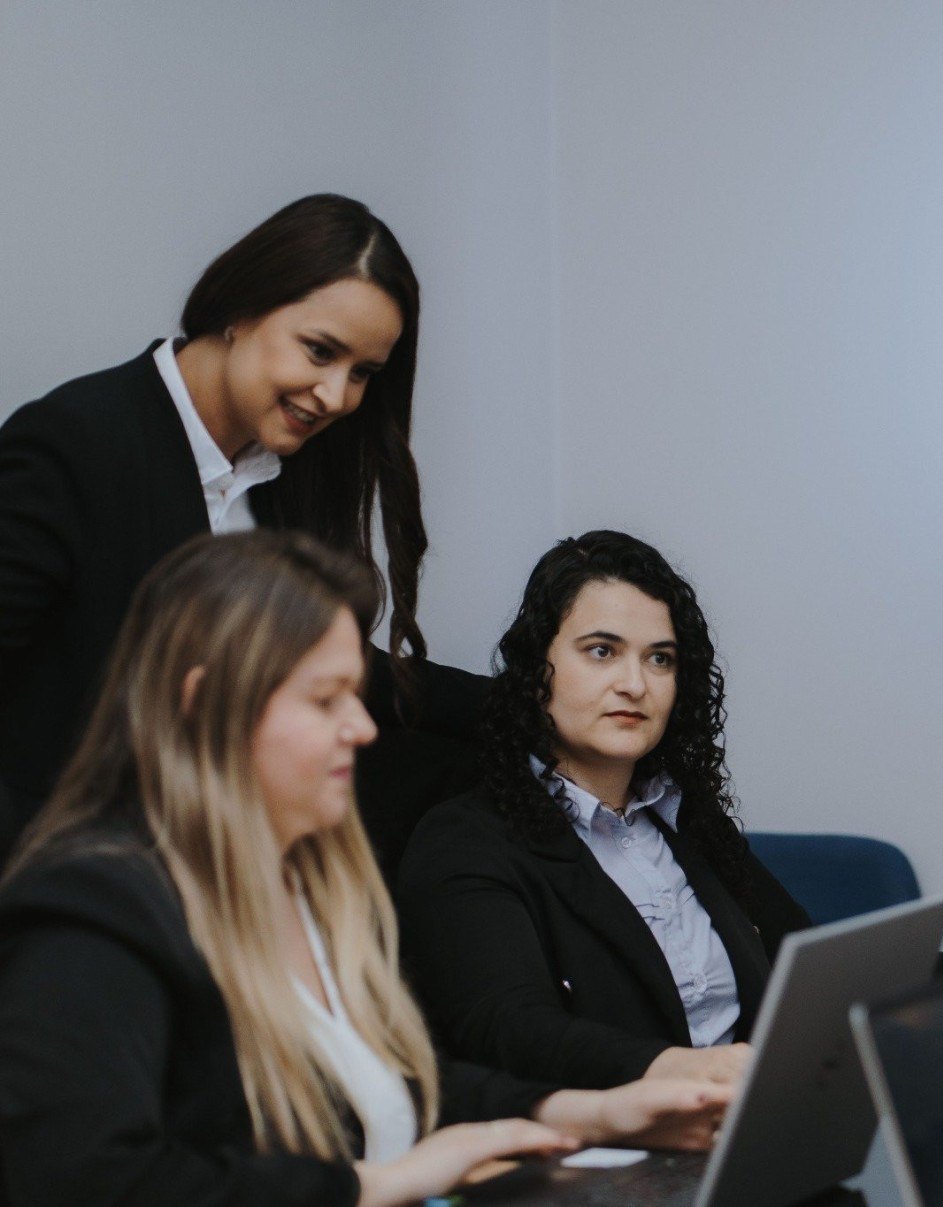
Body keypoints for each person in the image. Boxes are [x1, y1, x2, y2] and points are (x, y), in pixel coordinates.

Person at [0, 530, 730, 1207]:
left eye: (354, 695)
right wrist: (372, 1185)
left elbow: (387, 1088)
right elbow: (79, 1177)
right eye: (325, 700)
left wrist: (596, 1111)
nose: (362, 726)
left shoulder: (308, 886)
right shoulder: (91, 905)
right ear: (201, 707)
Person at [0, 194, 482, 866]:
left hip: (237, 869)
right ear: (239, 308)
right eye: (320, 350)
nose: (337, 395)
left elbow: (324, 666)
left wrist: (528, 709)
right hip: (83, 877)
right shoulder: (74, 444)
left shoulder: (288, 475)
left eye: (363, 373)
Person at [397, 531, 815, 1090]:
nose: (635, 684)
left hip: (748, 1137)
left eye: (660, 659)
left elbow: (806, 966)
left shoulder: (688, 821)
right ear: (536, 668)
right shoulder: (465, 839)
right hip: (598, 1153)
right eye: (602, 651)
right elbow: (512, 1030)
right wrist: (685, 1073)